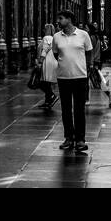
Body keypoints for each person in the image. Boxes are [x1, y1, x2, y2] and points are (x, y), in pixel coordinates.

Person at [51, 10, 93, 154]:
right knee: (66, 109)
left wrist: (85, 68)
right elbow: (56, 54)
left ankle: (80, 139)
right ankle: (68, 137)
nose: (58, 21)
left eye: (61, 18)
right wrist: (65, 65)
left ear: (69, 19)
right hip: (63, 77)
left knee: (79, 109)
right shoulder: (56, 37)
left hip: (80, 77)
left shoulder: (83, 35)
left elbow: (89, 53)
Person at [37, 23, 58, 112]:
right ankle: (47, 101)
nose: (43, 30)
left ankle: (52, 95)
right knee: (47, 82)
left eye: (44, 29)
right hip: (53, 61)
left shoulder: (47, 38)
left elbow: (45, 49)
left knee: (43, 81)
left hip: (47, 61)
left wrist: (40, 60)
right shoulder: (53, 38)